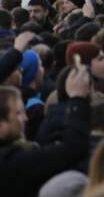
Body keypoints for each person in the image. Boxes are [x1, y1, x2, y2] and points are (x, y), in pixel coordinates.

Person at [0, 65, 91, 196]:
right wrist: (77, 99)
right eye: (18, 113)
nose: (25, 118)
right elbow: (73, 149)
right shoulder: (10, 163)